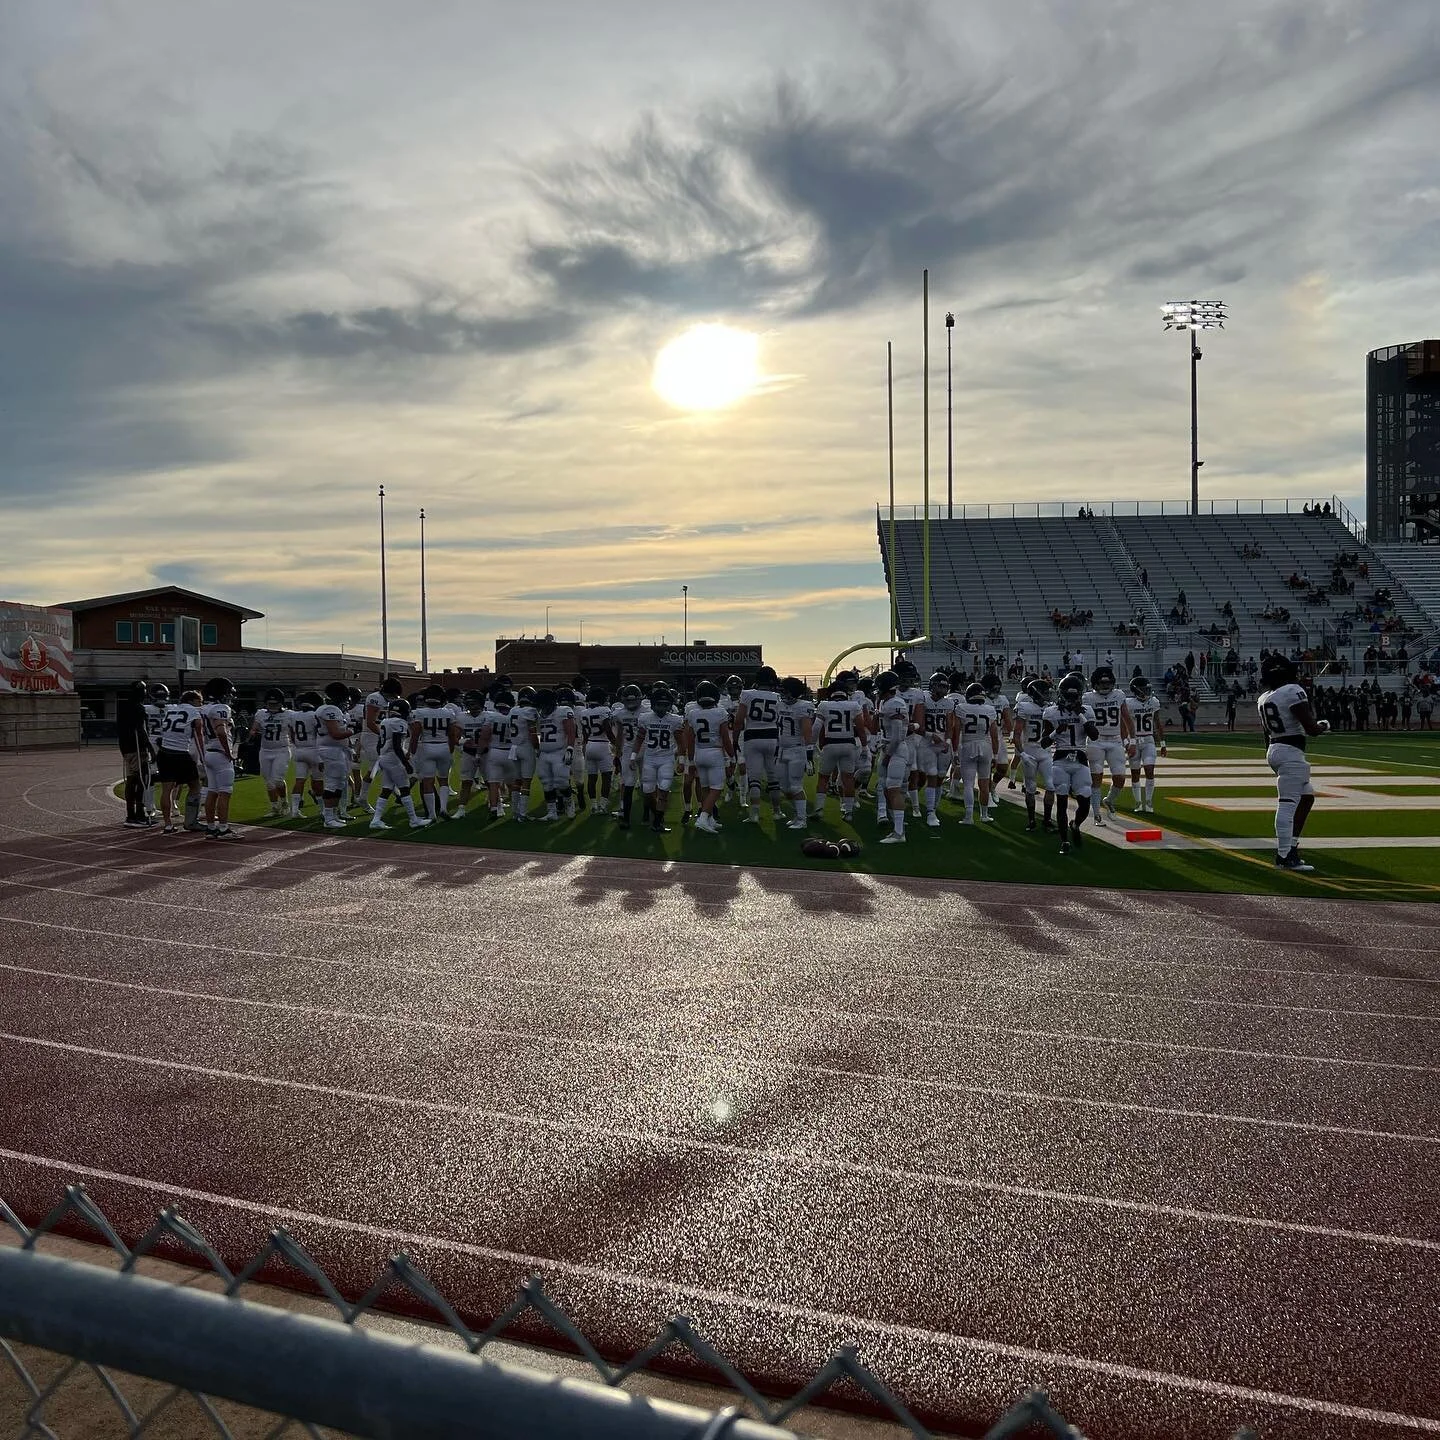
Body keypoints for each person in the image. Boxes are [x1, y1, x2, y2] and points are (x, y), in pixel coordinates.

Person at [1257, 654, 1329, 872]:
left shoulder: (1264, 697)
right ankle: (1284, 855)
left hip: (1275, 748)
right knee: (1287, 804)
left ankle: (1292, 846)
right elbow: (1311, 729)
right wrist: (1324, 725)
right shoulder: (1292, 691)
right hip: (1290, 751)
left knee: (1306, 798)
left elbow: (1265, 734)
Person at [1044, 673, 1098, 855]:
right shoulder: (1051, 712)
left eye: (1075, 696)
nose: (1072, 700)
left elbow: (1094, 734)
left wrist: (1079, 715)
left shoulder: (1086, 710)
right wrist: (1055, 733)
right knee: (1061, 802)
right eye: (1069, 696)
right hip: (1060, 760)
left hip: (1080, 758)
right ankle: (1064, 841)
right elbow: (1043, 743)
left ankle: (1075, 824)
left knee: (1085, 801)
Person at [633, 684, 685, 833]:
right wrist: (633, 756)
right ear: (653, 704)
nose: (662, 708)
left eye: (665, 704)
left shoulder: (674, 720)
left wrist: (681, 761)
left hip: (666, 759)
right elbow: (639, 738)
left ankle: (657, 822)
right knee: (648, 791)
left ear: (669, 705)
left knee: (664, 789)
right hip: (649, 758)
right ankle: (656, 815)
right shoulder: (645, 718)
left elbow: (681, 743)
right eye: (659, 704)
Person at [1082, 666, 1132, 821]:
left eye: (1108, 682)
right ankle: (1096, 813)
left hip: (1115, 740)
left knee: (1120, 777)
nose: (1105, 685)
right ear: (1094, 683)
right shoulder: (1088, 698)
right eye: (1102, 683)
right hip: (1096, 741)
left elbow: (1125, 718)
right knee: (1096, 777)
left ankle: (1109, 800)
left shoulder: (1119, 695)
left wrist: (1132, 740)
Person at [735, 666, 783, 823]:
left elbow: (739, 719)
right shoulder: (777, 697)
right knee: (773, 777)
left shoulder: (747, 694)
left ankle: (754, 814)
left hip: (752, 737)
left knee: (754, 778)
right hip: (771, 738)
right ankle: (777, 812)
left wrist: (735, 739)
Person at [370, 697, 427, 830]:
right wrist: (406, 764)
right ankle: (413, 820)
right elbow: (396, 745)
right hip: (393, 758)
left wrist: (382, 757)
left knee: (387, 789)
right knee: (405, 788)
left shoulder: (385, 721)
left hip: (384, 757)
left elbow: (380, 744)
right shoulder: (400, 722)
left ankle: (376, 820)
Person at [684, 680, 732, 832]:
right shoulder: (720, 712)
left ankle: (709, 819)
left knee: (705, 788)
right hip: (714, 752)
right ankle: (703, 818)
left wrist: (691, 760)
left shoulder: (692, 713)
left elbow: (689, 739)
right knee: (717, 788)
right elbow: (725, 738)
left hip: (699, 753)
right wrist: (732, 756)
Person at [155, 688, 205, 834]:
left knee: (167, 790)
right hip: (180, 752)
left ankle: (168, 824)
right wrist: (203, 756)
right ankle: (191, 821)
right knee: (195, 786)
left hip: (164, 752)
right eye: (199, 701)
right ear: (191, 701)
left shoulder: (170, 710)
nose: (200, 704)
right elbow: (199, 735)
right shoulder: (194, 712)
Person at [813, 681, 864, 823]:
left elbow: (817, 728)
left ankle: (819, 809)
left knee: (823, 778)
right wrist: (865, 747)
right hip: (848, 744)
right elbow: (861, 728)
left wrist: (811, 745)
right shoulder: (854, 705)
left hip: (830, 744)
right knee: (848, 779)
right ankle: (848, 812)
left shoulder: (824, 705)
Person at [875, 670, 913, 844]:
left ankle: (900, 833)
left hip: (895, 749)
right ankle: (897, 825)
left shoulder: (895, 703)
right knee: (885, 788)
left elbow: (897, 735)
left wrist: (888, 754)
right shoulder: (889, 702)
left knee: (893, 789)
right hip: (889, 747)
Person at [1013, 677, 1055, 832]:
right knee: (1030, 787)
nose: (1048, 695)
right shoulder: (1024, 707)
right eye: (1045, 692)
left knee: (1051, 785)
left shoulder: (1051, 708)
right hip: (1029, 750)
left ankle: (1047, 819)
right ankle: (1031, 820)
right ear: (1037, 693)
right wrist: (1022, 754)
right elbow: (1016, 734)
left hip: (1045, 752)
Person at [955, 680, 999, 825]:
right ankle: (984, 815)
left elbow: (956, 732)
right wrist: (996, 755)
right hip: (985, 746)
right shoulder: (989, 710)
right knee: (984, 783)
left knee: (968, 784)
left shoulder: (961, 708)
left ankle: (969, 817)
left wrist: (954, 751)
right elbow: (994, 735)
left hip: (968, 745)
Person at [776, 676, 815, 830]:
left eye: (784, 690)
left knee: (795, 787)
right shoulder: (779, 705)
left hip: (797, 750)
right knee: (784, 787)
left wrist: (809, 757)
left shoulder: (803, 706)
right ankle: (797, 814)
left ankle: (802, 819)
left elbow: (807, 733)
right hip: (781, 750)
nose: (782, 693)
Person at [1123, 677, 1166, 812]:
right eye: (1143, 689)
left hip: (1148, 740)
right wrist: (1126, 742)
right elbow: (1123, 724)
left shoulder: (1153, 702)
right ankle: (1138, 802)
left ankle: (1148, 801)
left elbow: (1157, 722)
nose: (1146, 691)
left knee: (1149, 770)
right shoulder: (1129, 703)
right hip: (1134, 742)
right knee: (1135, 773)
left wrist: (1163, 743)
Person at [116, 679, 155, 828]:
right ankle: (138, 814)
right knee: (141, 780)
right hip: (137, 747)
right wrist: (150, 748)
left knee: (132, 779)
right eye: (144, 690)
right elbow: (141, 729)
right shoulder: (138, 708)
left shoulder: (123, 706)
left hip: (125, 747)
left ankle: (131, 813)